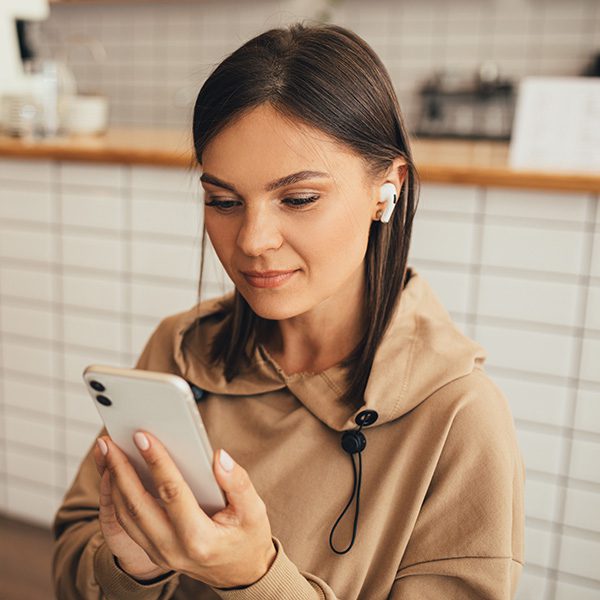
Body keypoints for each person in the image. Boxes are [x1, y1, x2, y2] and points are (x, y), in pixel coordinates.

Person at [52, 21, 525, 599]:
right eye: (222, 201)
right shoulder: (180, 349)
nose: (252, 240)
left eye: (298, 199)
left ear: (387, 188)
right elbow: (74, 555)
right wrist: (133, 569)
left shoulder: (459, 417)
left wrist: (254, 580)